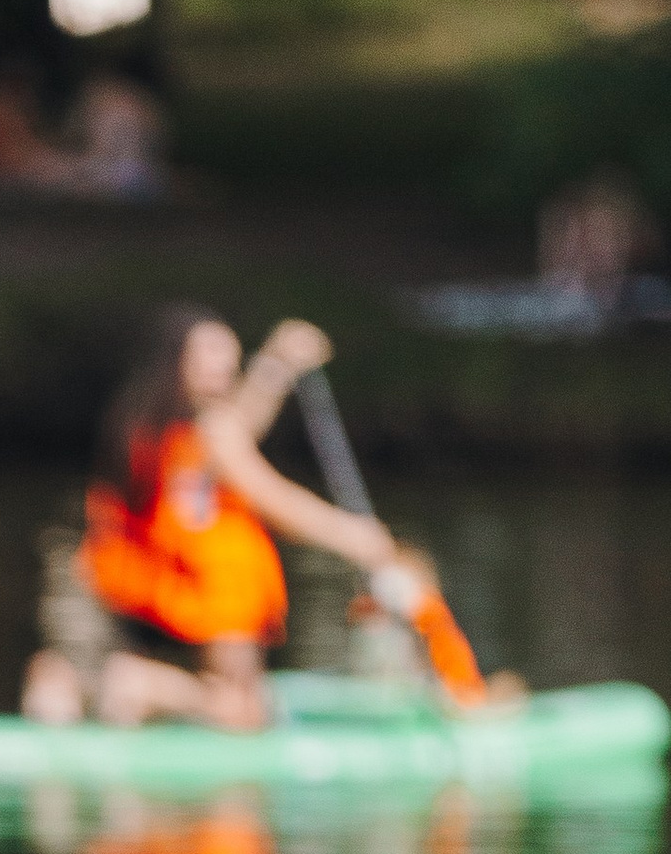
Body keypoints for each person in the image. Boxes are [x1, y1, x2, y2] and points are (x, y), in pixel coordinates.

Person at [22, 303, 425, 731]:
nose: (224, 365)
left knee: (232, 690)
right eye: (210, 355)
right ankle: (141, 685)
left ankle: (74, 686)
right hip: (201, 596)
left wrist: (278, 364)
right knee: (243, 714)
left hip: (144, 592)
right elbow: (271, 497)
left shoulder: (144, 421)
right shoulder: (206, 430)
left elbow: (240, 423)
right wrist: (356, 537)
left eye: (227, 356)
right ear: (176, 360)